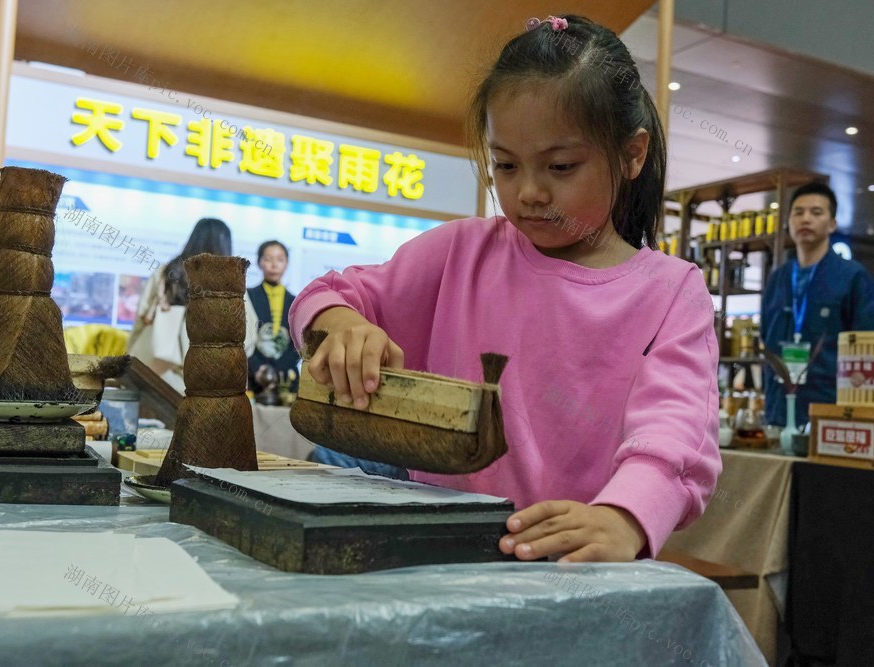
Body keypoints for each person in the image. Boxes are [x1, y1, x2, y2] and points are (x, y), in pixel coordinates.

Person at [288, 15, 720, 563]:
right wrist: (342, 326)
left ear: (632, 154)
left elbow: (676, 435)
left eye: (560, 166)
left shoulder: (670, 292)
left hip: (568, 568)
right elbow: (330, 295)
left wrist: (624, 516)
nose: (530, 192)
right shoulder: (460, 253)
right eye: (506, 166)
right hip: (428, 555)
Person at [761, 182, 874, 428]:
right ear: (788, 222)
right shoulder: (778, 278)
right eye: (798, 212)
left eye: (816, 213)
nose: (806, 219)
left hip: (832, 411)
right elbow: (766, 336)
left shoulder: (852, 277)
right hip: (779, 408)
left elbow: (871, 346)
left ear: (832, 223)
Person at [127, 217, 258, 393]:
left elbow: (142, 316)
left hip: (158, 373)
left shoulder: (167, 272)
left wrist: (131, 353)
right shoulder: (230, 280)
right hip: (205, 381)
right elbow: (248, 332)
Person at [247, 241, 301, 399]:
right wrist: (258, 369)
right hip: (253, 377)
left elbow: (298, 344)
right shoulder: (248, 296)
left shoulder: (296, 301)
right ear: (259, 262)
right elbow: (245, 337)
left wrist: (277, 371)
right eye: (268, 259)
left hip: (286, 378)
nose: (274, 265)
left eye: (280, 259)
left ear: (286, 263)